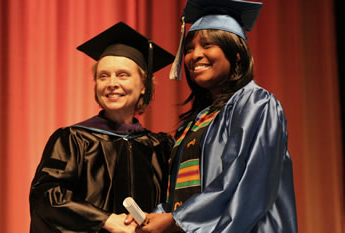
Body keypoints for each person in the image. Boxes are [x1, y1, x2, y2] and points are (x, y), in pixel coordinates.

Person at [126, 0, 298, 232]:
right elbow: (182, 194)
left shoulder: (256, 103)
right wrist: (154, 216)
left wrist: (177, 220)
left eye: (207, 45)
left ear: (236, 55)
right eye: (188, 49)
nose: (194, 55)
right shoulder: (194, 123)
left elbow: (246, 182)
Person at [29, 22, 175, 233]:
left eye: (122, 75)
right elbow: (46, 196)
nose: (112, 83)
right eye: (103, 76)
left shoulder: (160, 147)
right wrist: (104, 220)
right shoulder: (73, 140)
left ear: (144, 85)